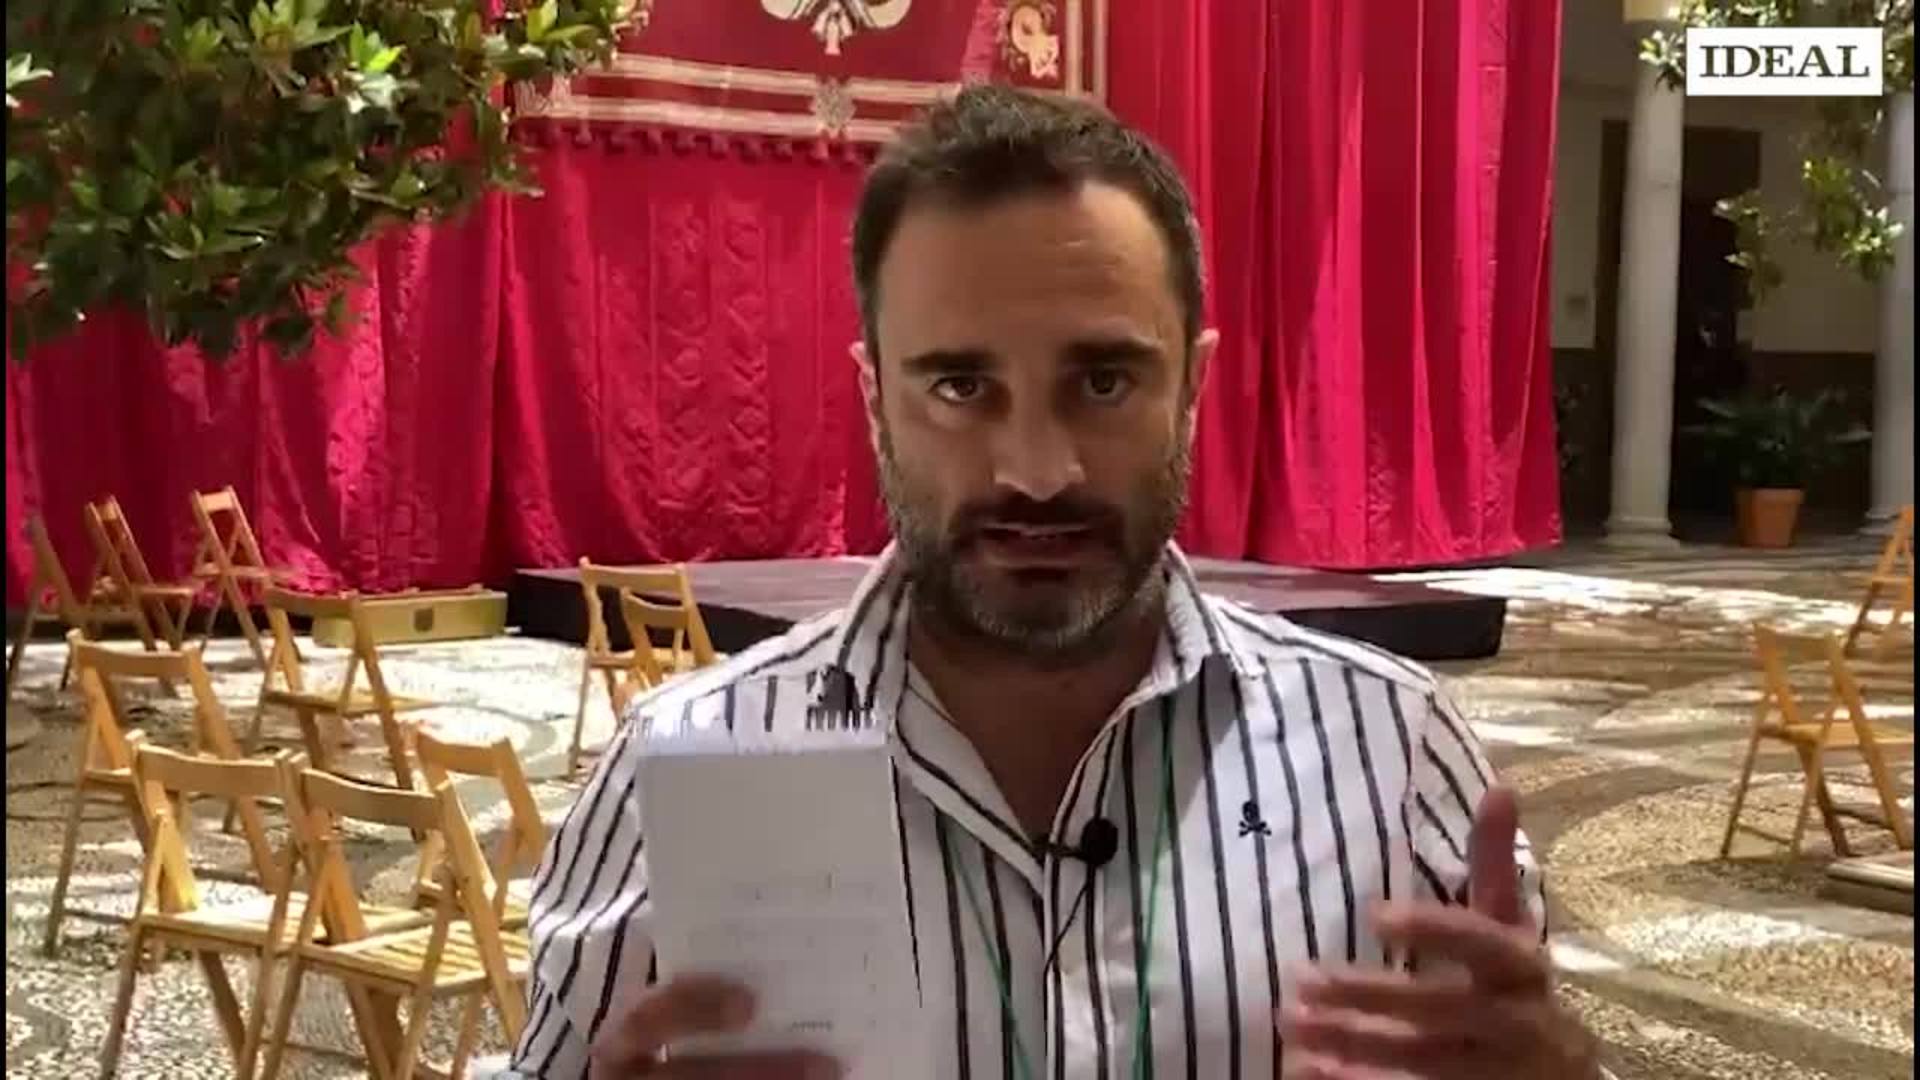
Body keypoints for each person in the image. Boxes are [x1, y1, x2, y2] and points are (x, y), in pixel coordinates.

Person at [505, 85, 1603, 1080]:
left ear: (1194, 387)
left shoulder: (1393, 751)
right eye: (960, 387)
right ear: (876, 400)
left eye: (1104, 380)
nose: (1037, 471)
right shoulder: (675, 767)